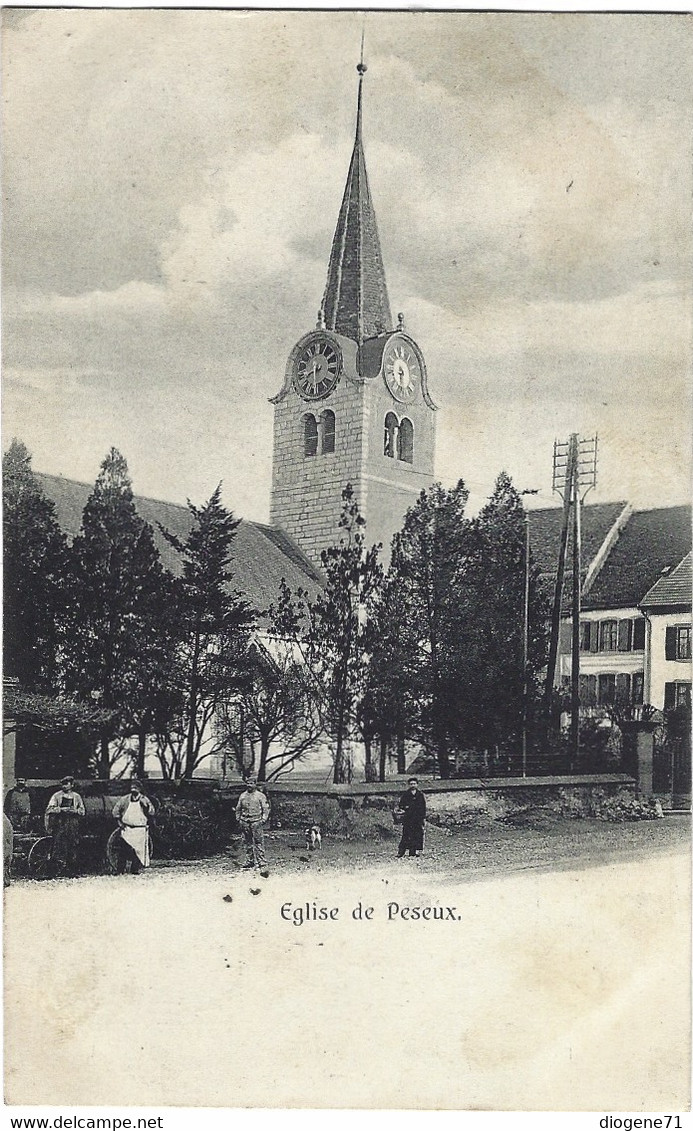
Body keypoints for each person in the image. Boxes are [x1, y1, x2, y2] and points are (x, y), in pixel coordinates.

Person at [44, 775, 85, 876]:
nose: (64, 786)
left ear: (72, 785)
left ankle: (71, 871)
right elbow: (49, 809)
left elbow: (82, 811)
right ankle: (56, 871)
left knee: (73, 845)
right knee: (59, 846)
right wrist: (60, 810)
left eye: (66, 784)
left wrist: (75, 811)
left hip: (72, 824)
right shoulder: (56, 796)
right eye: (63, 784)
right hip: (60, 824)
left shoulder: (77, 797)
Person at [112, 780, 155, 874]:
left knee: (138, 850)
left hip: (140, 829)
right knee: (123, 849)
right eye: (132, 788)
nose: (133, 790)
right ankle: (120, 870)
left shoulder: (145, 799)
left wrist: (146, 806)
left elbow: (152, 812)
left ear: (139, 789)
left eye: (135, 788)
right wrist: (119, 822)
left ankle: (134, 869)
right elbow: (115, 811)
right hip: (127, 829)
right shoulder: (124, 799)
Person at [235, 776, 270, 876]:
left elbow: (265, 809)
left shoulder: (260, 796)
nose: (249, 785)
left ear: (255, 784)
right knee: (247, 842)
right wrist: (239, 819)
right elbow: (238, 808)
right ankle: (250, 861)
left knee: (258, 842)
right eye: (248, 783)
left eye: (251, 783)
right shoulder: (242, 796)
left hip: (256, 822)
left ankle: (262, 863)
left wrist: (263, 819)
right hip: (245, 821)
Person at [396, 777, 426, 858]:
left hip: (417, 818)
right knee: (406, 834)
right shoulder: (406, 795)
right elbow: (401, 805)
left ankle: (413, 851)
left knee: (417, 834)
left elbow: (423, 807)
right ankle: (401, 852)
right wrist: (406, 808)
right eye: (411, 784)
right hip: (408, 818)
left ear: (417, 784)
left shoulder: (420, 795)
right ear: (409, 785)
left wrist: (422, 817)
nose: (413, 785)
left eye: (414, 784)